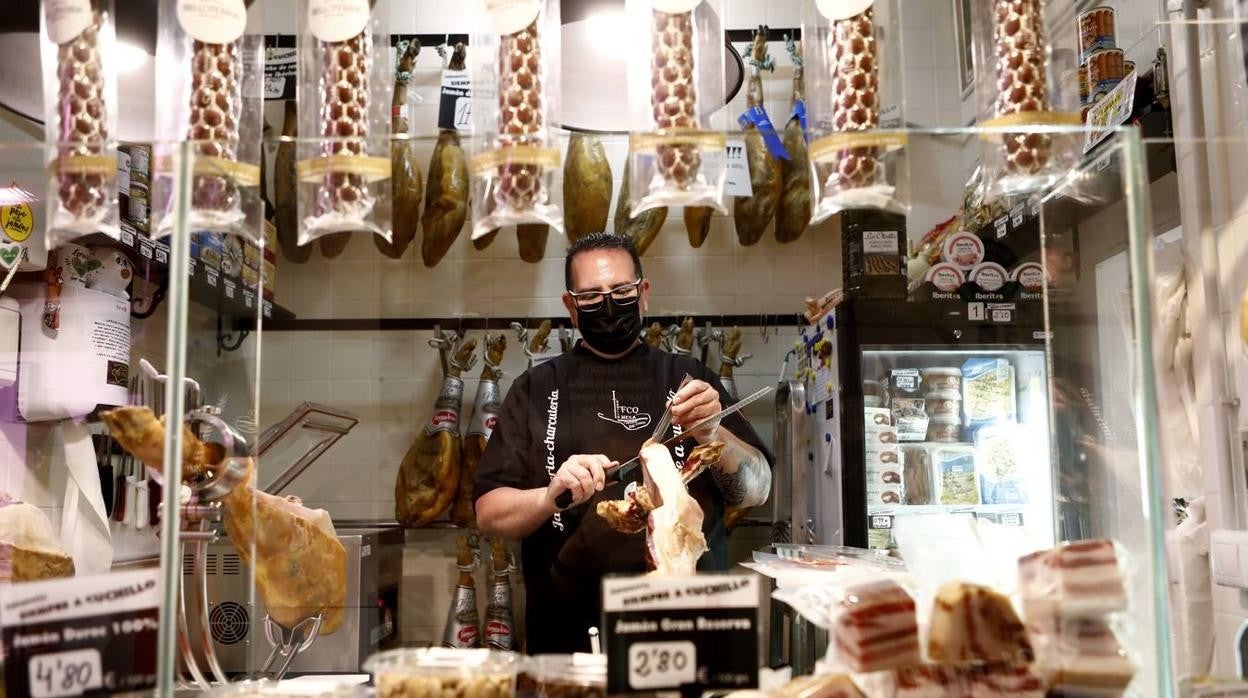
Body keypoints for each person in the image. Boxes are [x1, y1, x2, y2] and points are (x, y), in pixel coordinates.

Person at [474, 232, 773, 654]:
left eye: (621, 291)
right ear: (570, 307)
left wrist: (713, 433)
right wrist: (548, 497)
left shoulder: (691, 379)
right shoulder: (536, 388)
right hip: (572, 637)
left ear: (644, 293)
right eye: (591, 296)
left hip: (689, 631)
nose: (609, 304)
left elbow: (758, 489)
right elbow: (488, 513)